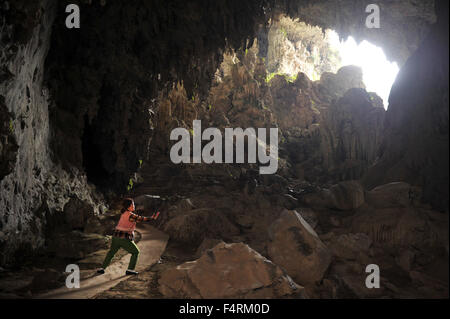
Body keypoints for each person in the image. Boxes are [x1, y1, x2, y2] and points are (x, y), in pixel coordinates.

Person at [97, 198, 160, 275]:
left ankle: (102, 268)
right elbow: (141, 218)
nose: (134, 206)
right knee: (136, 252)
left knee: (111, 253)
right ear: (129, 206)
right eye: (133, 204)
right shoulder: (130, 215)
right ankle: (130, 269)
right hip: (123, 238)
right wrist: (152, 218)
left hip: (115, 237)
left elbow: (138, 218)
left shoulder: (124, 213)